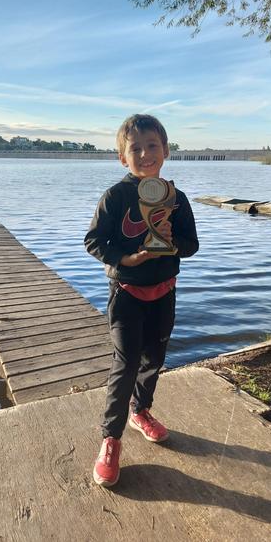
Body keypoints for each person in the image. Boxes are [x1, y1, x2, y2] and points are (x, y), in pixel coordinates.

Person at [84, 114, 199, 487]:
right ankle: (111, 438)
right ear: (122, 157)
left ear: (166, 151)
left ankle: (141, 411)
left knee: (154, 359)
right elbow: (94, 241)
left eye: (153, 146)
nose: (145, 154)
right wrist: (128, 259)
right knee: (126, 362)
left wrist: (172, 242)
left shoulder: (177, 199)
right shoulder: (116, 197)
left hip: (164, 293)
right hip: (127, 294)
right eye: (136, 148)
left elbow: (192, 245)